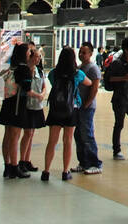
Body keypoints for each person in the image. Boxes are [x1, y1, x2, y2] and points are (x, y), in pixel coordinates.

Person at [43, 46, 90, 181]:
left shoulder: (54, 73)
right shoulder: (77, 73)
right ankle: (65, 171)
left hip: (55, 109)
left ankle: (46, 171)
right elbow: (89, 82)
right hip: (71, 109)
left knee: (52, 141)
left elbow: (52, 83)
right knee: (68, 141)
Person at [0, 43, 34, 178]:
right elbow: (27, 88)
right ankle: (14, 166)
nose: (30, 54)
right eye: (29, 52)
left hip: (8, 102)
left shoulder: (11, 67)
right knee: (15, 136)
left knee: (7, 135)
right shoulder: (24, 69)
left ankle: (7, 166)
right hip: (18, 104)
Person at [72, 42, 104, 175]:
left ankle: (95, 163)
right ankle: (83, 162)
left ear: (91, 54)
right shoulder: (79, 68)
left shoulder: (93, 68)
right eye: (80, 52)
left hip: (87, 108)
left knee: (87, 134)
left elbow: (95, 88)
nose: (81, 54)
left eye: (84, 52)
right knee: (78, 134)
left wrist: (86, 104)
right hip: (78, 107)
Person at [18, 44, 46, 173]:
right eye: (36, 57)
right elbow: (26, 90)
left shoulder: (40, 71)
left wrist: (42, 94)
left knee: (32, 133)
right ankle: (22, 161)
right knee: (27, 133)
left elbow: (44, 85)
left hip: (37, 105)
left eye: (39, 57)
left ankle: (27, 160)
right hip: (27, 105)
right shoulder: (25, 71)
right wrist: (38, 95)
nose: (38, 59)